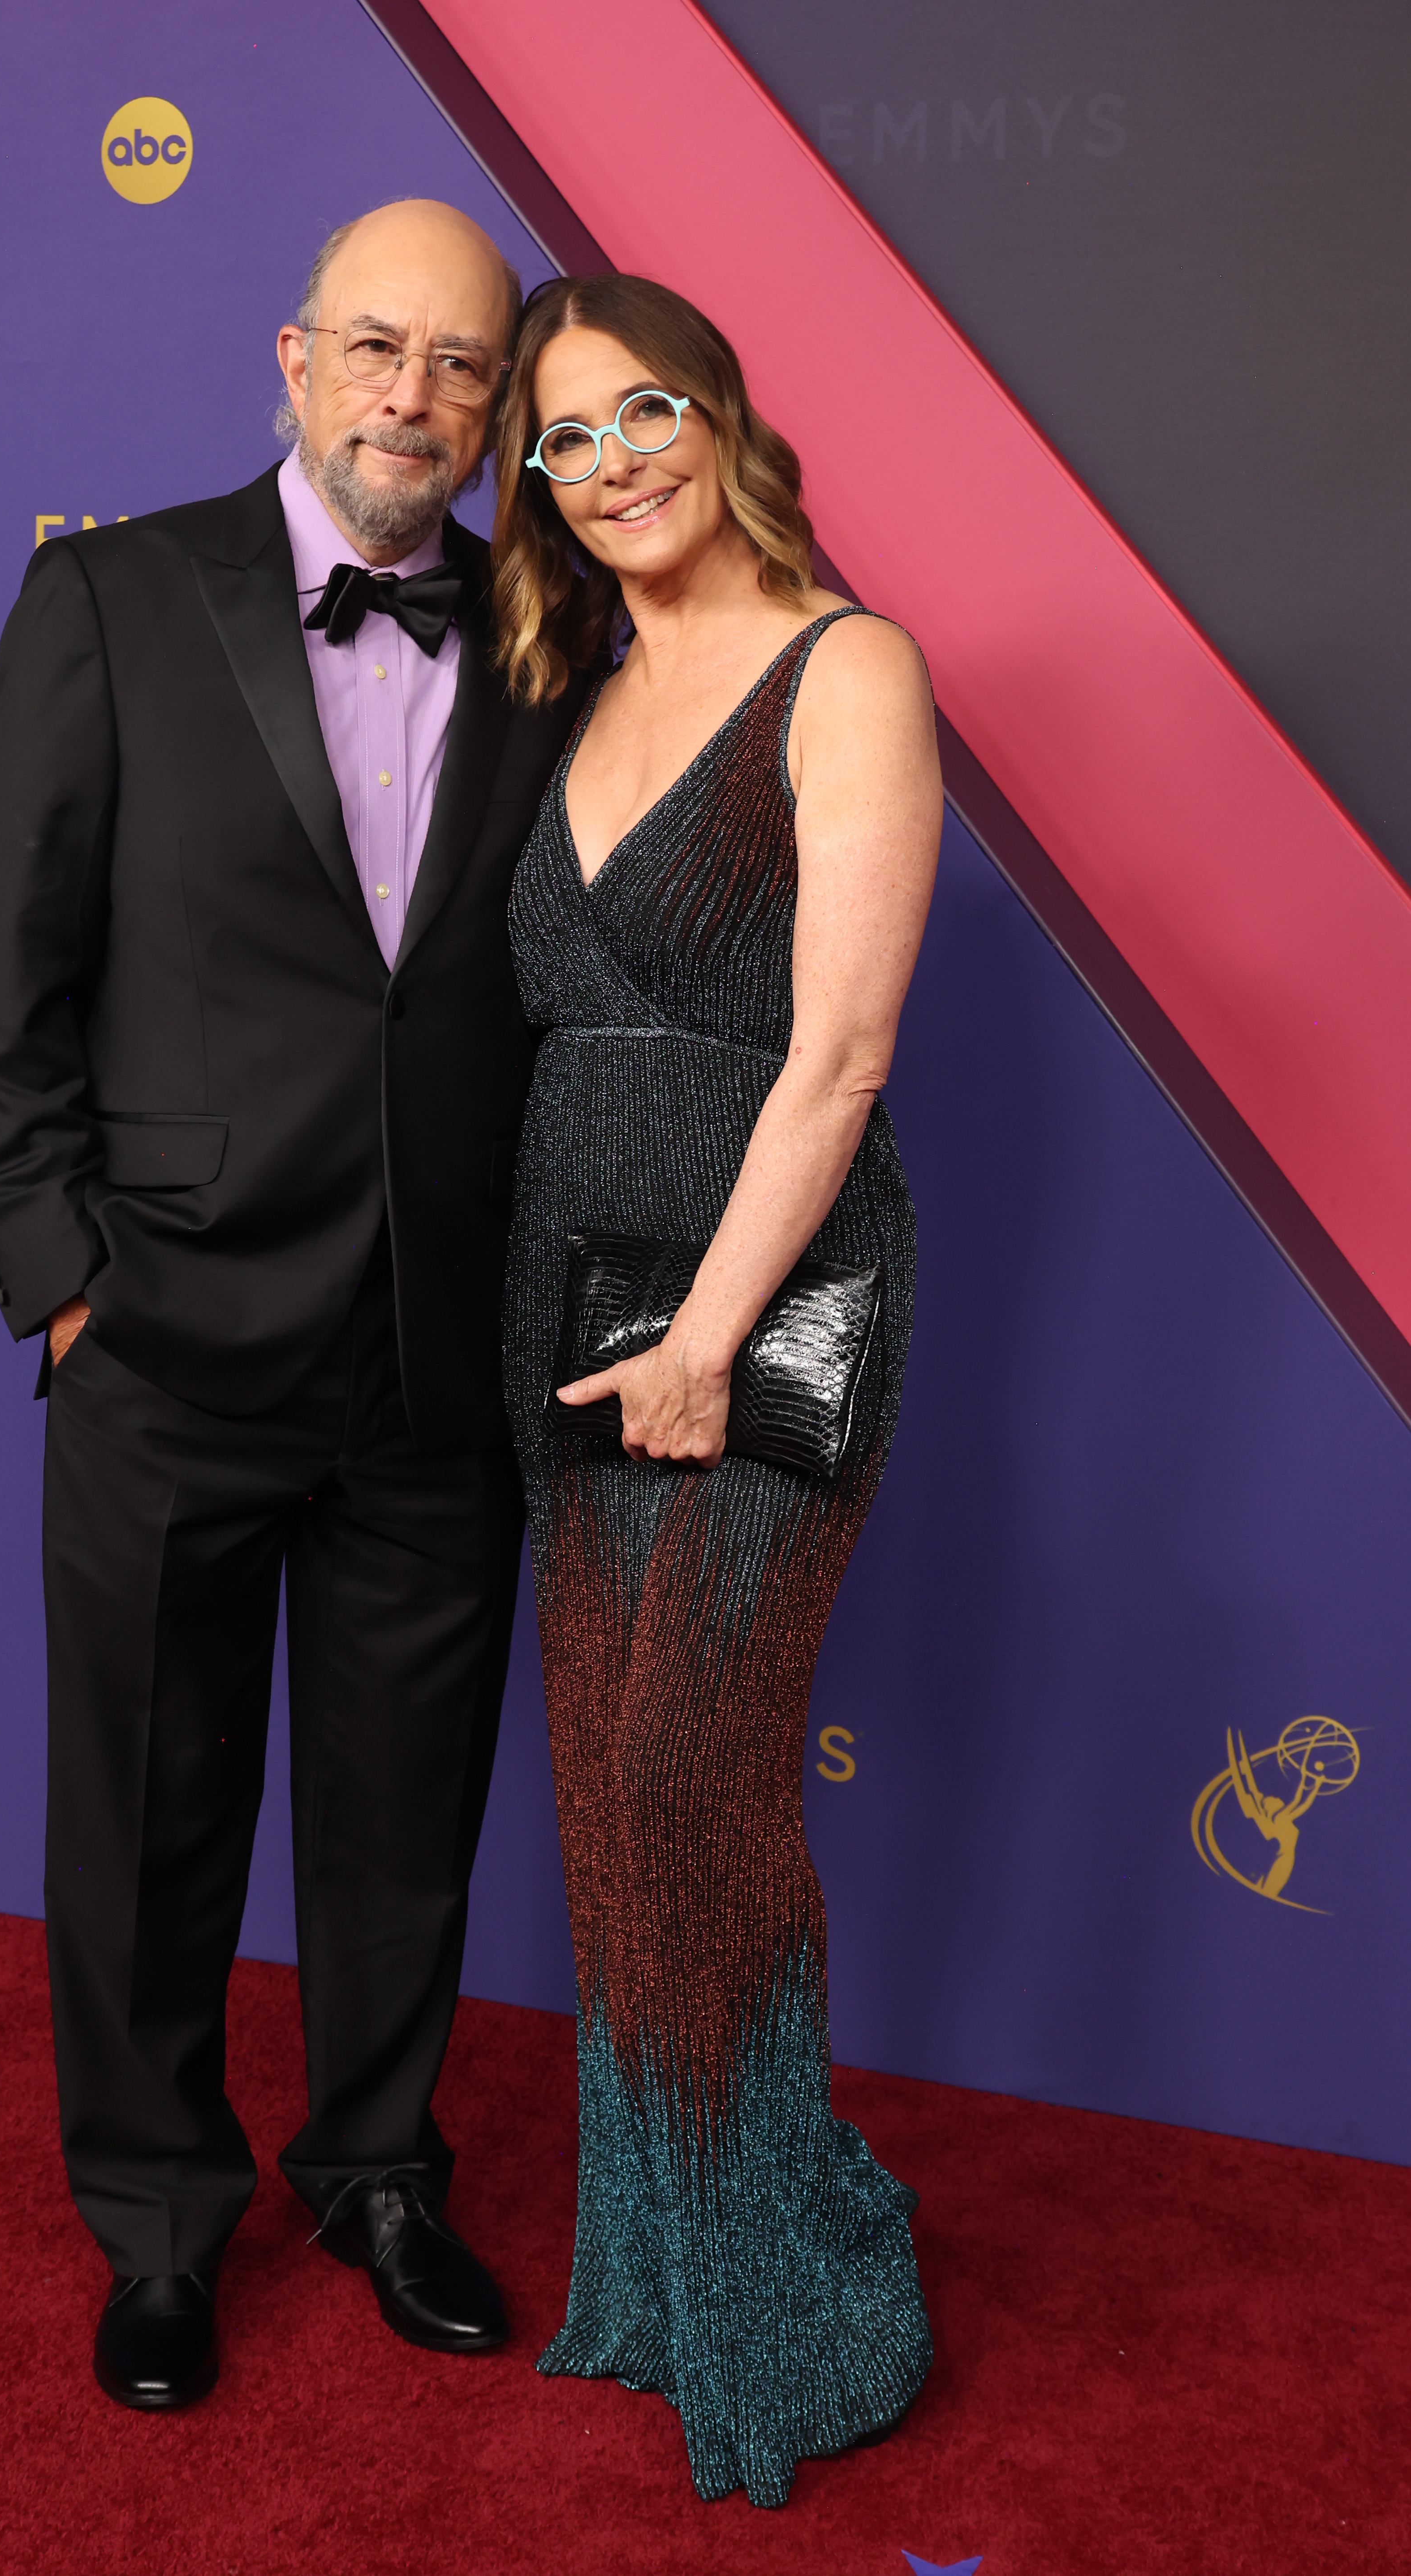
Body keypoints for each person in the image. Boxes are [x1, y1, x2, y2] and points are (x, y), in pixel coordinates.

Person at [0, 200, 589, 2411]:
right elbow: (11, 990)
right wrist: (60, 1286)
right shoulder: (114, 596)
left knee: (405, 1803)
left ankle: (379, 2171)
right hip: (167, 1333)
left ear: (501, 405)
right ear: (296, 360)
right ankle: (152, 2216)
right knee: (142, 1809)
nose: (418, 397)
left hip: (439, 1341)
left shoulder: (552, 628)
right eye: (380, 351)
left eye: (465, 368)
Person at [492, 274, 943, 2507]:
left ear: (718, 410)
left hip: (756, 1322)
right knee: (605, 1798)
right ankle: (663, 2281)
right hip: (559, 1308)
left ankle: (802, 2300)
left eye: (637, 408)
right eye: (561, 440)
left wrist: (699, 1338)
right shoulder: (568, 684)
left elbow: (839, 1054)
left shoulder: (842, 667)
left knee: (695, 1783)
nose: (608, 463)